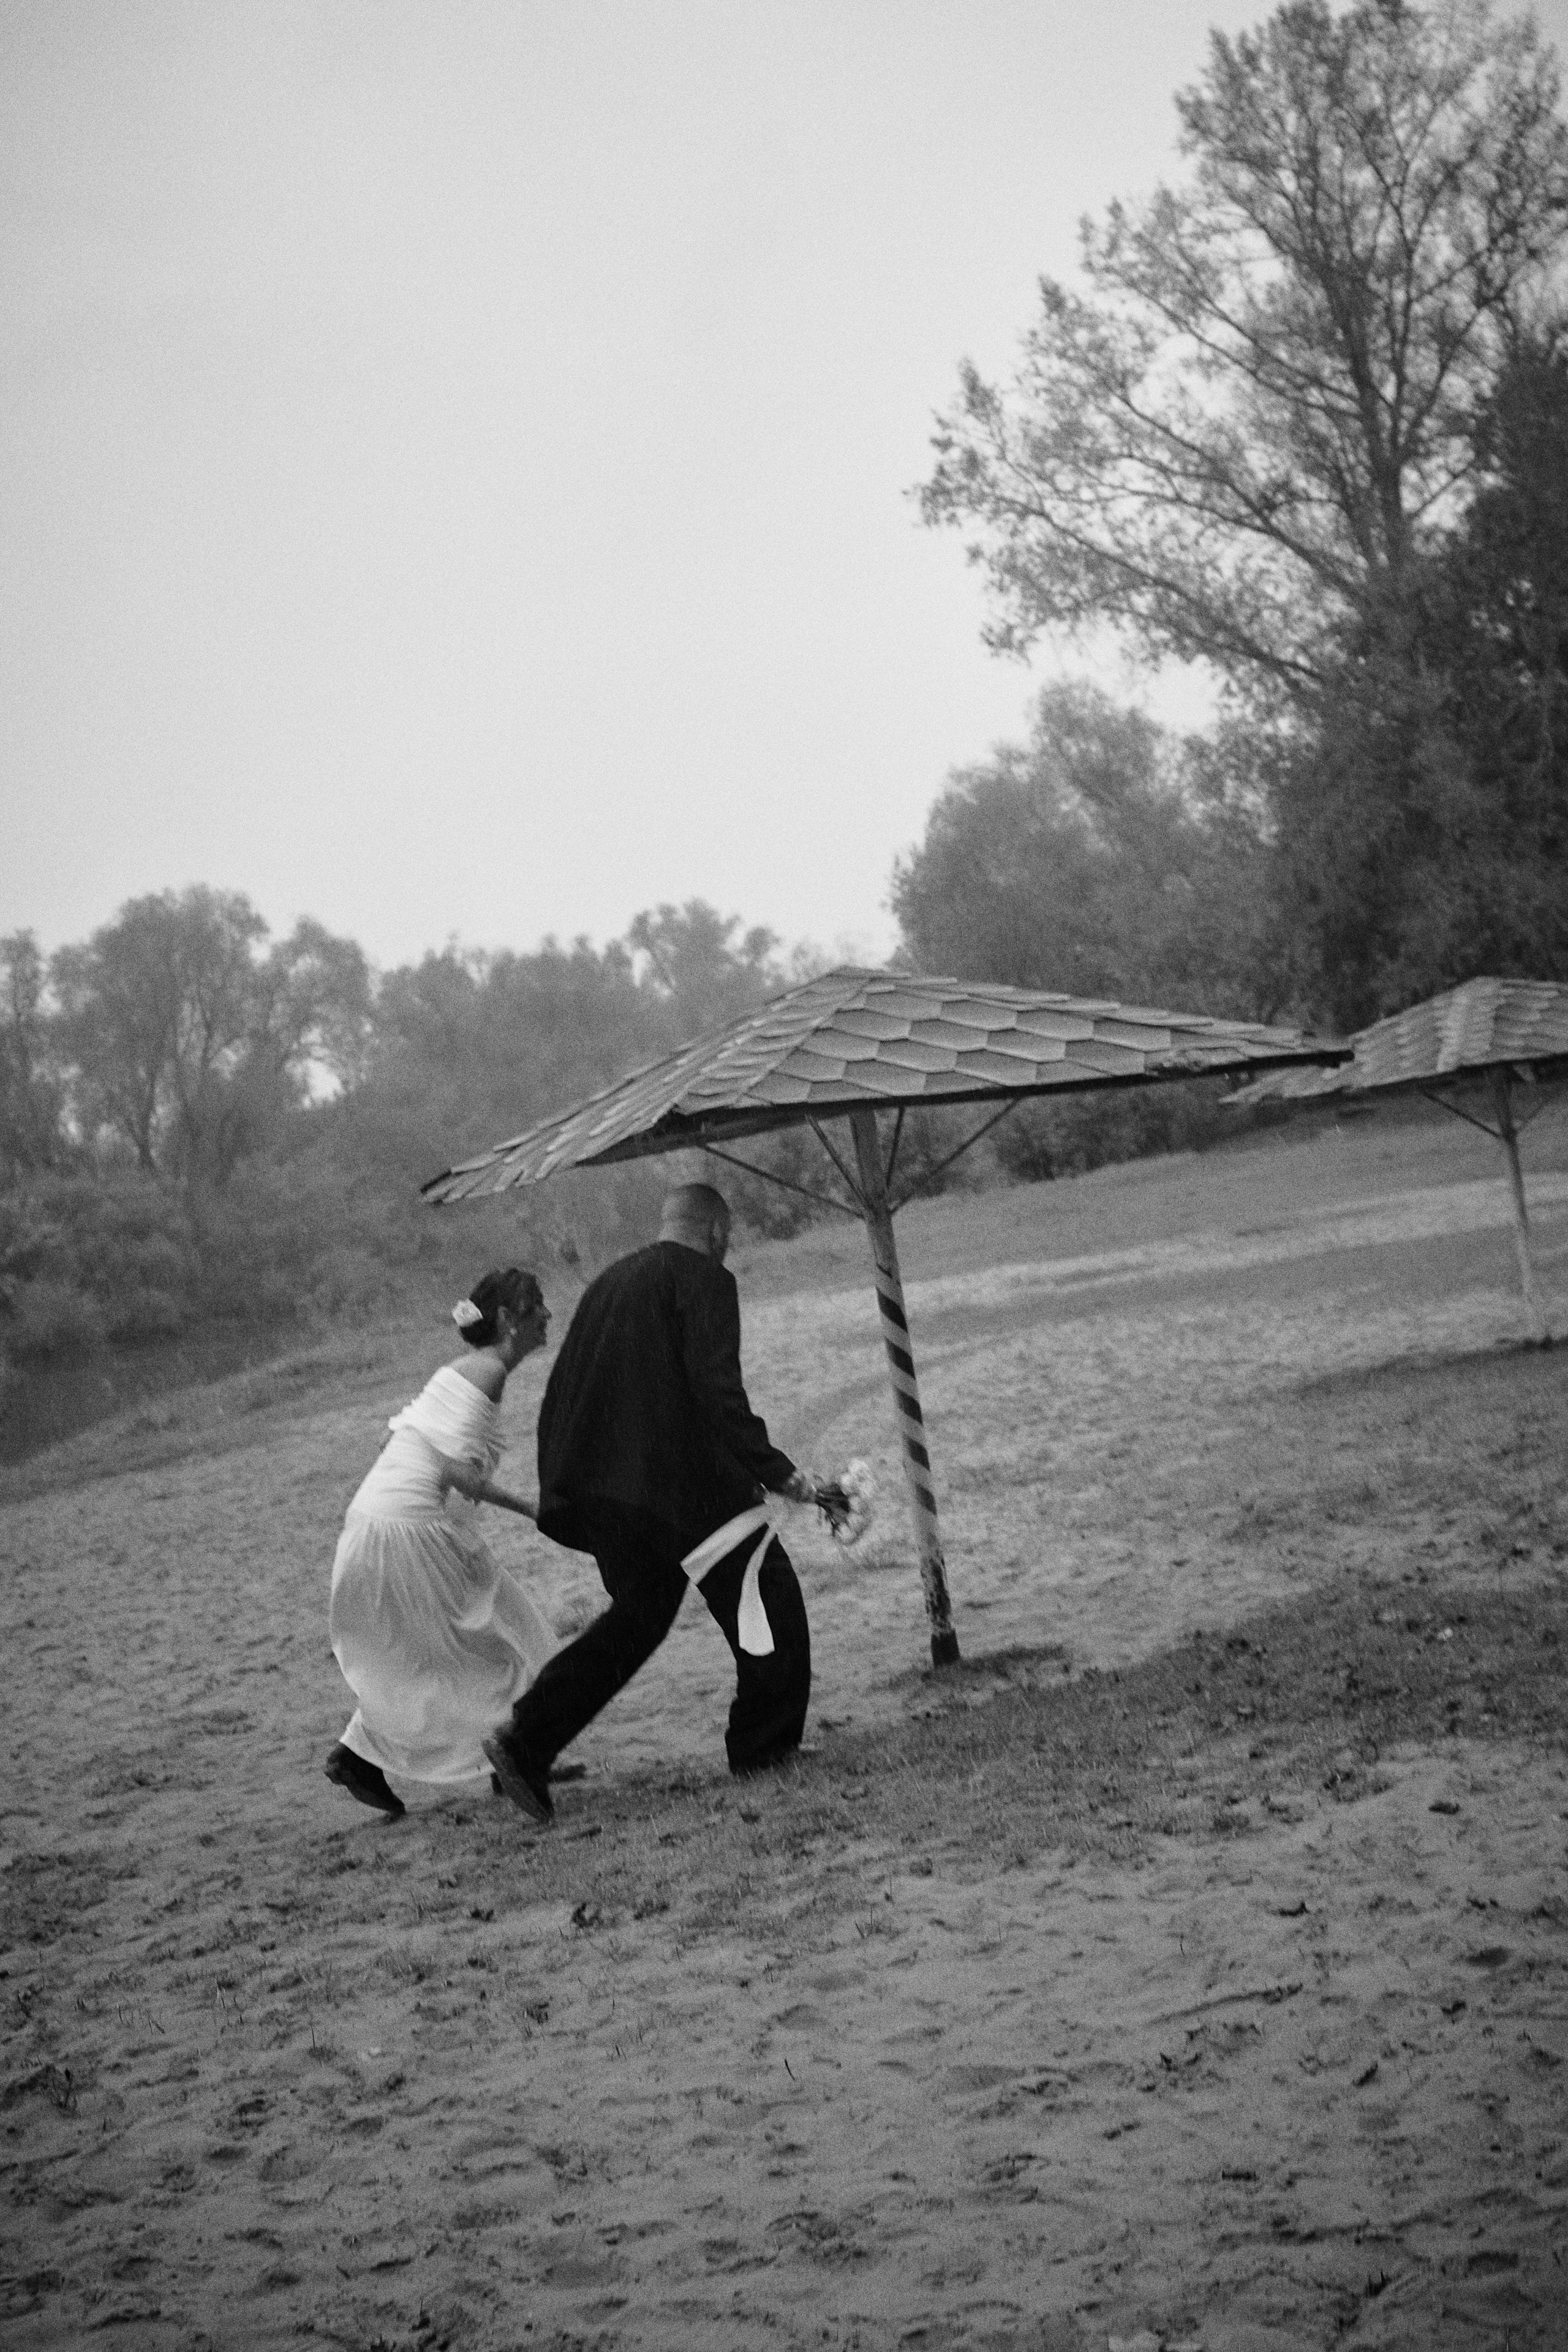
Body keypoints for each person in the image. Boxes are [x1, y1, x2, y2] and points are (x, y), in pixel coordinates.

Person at [485, 1182, 816, 1825]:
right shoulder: (704, 1279)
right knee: (765, 1590)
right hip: (675, 1486)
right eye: (727, 1238)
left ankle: (525, 1741)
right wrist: (776, 1473)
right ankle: (764, 1749)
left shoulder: (610, 1281)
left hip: (599, 1487)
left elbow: (570, 1386)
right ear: (717, 1234)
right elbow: (716, 1390)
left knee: (639, 1616)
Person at [323, 1267, 557, 1819]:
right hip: (408, 1530)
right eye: (538, 1305)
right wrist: (532, 1509)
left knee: (476, 1638)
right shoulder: (487, 1371)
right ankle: (515, 1756)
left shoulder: (462, 1370)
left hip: (381, 1521)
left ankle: (363, 1757)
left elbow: (403, 1439)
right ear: (507, 1320)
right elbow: (460, 1474)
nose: (549, 1314)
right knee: (495, 1647)